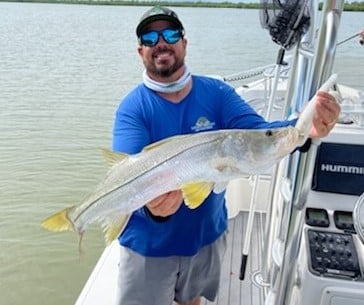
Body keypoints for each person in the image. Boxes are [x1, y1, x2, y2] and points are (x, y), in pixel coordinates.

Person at [112, 6, 340, 305]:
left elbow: (259, 131)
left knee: (193, 300)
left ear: (184, 42)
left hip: (205, 238)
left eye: (170, 33)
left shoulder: (216, 93)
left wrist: (303, 129)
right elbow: (128, 177)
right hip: (149, 246)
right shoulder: (133, 109)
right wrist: (153, 210)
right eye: (150, 37)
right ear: (140, 50)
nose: (161, 43)